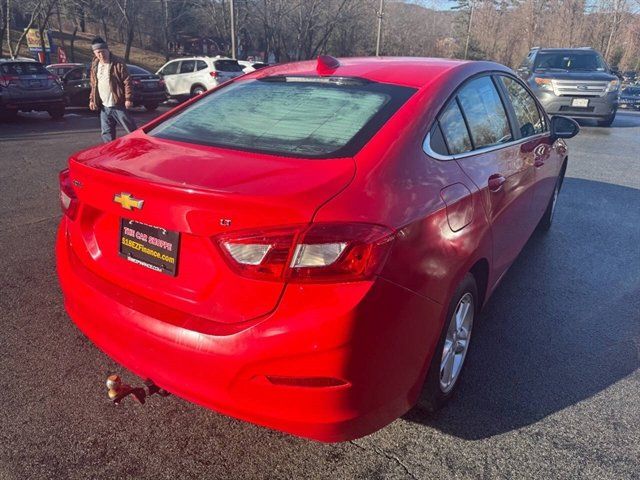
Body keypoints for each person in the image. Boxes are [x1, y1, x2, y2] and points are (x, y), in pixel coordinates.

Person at [88, 37, 137, 143]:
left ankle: (140, 147)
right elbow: (93, 84)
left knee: (132, 130)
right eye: (98, 52)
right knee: (106, 133)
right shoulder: (95, 65)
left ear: (107, 50)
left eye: (103, 51)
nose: (101, 55)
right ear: (94, 53)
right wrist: (92, 100)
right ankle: (110, 154)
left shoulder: (117, 63)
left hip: (118, 104)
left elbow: (127, 81)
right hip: (104, 107)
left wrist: (128, 98)